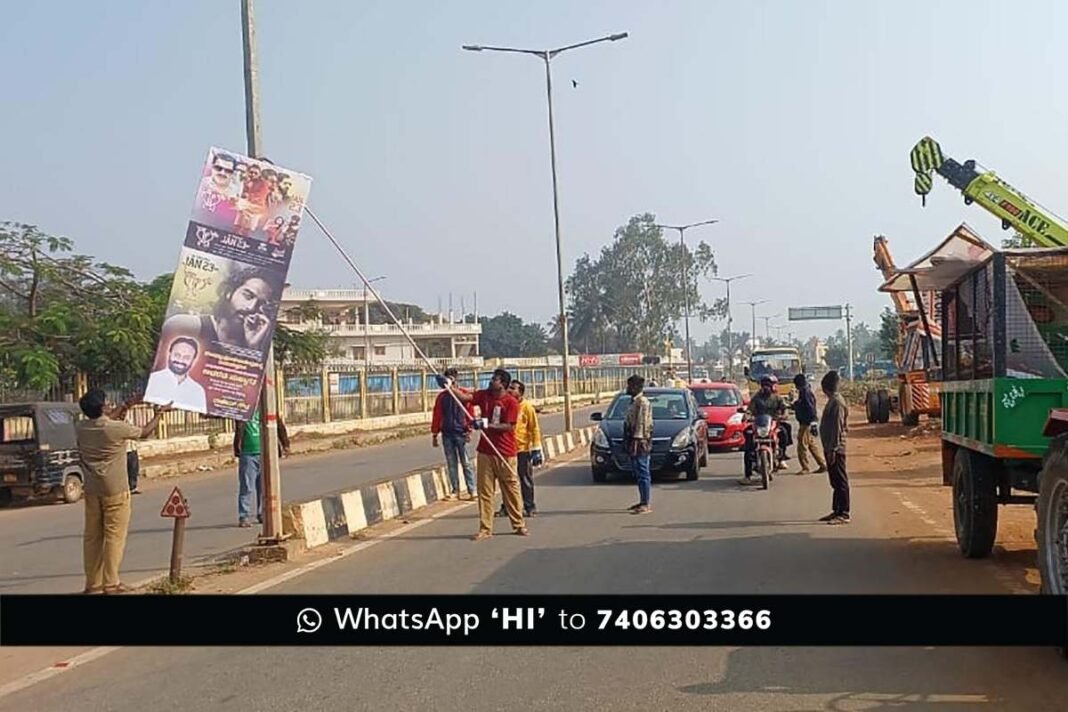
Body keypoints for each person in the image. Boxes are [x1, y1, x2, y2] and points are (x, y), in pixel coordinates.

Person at [75, 390, 170, 594]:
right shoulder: (114, 428)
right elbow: (144, 432)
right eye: (107, 403)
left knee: (92, 537)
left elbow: (105, 420)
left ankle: (93, 584)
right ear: (102, 407)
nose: (110, 405)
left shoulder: (82, 427)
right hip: (115, 488)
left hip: (92, 488)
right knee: (114, 536)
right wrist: (160, 414)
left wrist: (127, 405)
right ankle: (111, 582)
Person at [446, 368, 527, 540]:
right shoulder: (484, 395)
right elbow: (465, 397)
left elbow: (510, 426)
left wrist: (486, 425)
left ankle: (518, 524)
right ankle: (485, 528)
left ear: (503, 384)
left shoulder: (510, 402)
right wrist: (449, 386)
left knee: (511, 489)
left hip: (505, 452)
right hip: (485, 452)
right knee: (485, 491)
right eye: (492, 378)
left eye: (495, 379)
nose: (491, 381)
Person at [160, 266, 279, 352]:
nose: (251, 307)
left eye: (260, 304)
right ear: (229, 293)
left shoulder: (256, 342)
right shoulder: (187, 326)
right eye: (247, 296)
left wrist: (252, 347)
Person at [233, 410, 291, 527]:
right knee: (247, 486)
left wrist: (285, 444)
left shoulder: (268, 407)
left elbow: (279, 426)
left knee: (263, 486)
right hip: (248, 453)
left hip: (266, 452)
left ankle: (261, 513)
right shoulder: (243, 410)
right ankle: (244, 516)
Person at [498, 380, 543, 517]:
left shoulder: (527, 408)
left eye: (513, 388)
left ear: (520, 392)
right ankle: (507, 506)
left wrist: (536, 448)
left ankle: (529, 506)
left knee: (525, 478)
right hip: (507, 449)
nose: (510, 390)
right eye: (509, 388)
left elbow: (534, 428)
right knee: (507, 479)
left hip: (522, 449)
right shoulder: (504, 405)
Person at [431, 367, 476, 500]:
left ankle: (472, 489)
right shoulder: (442, 397)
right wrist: (434, 434)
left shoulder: (463, 394)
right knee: (451, 463)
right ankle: (455, 490)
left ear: (456, 379)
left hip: (461, 433)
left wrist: (469, 430)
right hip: (447, 433)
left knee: (466, 463)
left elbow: (470, 413)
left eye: (452, 378)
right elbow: (437, 416)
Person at [144, 337, 208, 413]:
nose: (180, 360)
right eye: (177, 355)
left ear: (193, 360)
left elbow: (201, 417)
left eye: (186, 358)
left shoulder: (198, 391)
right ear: (169, 354)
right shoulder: (153, 380)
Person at [819, 371, 850, 524]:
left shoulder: (837, 403)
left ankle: (844, 512)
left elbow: (837, 428)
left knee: (840, 480)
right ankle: (836, 509)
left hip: (836, 448)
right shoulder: (833, 400)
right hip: (830, 446)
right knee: (834, 481)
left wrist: (833, 448)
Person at [744, 375, 788, 478]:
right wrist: (747, 415)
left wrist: (784, 415)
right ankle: (748, 474)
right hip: (759, 424)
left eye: (768, 385)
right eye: (764, 385)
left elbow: (784, 408)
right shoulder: (756, 397)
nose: (766, 387)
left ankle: (782, 458)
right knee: (748, 442)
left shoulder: (777, 397)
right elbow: (750, 409)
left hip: (773, 423)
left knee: (784, 433)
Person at [623, 374, 654, 514]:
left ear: (636, 387)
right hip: (633, 439)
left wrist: (637, 440)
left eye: (629, 386)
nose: (627, 388)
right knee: (638, 472)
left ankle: (645, 503)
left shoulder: (642, 402)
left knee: (643, 472)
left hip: (640, 441)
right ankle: (642, 501)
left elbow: (642, 423)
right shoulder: (634, 401)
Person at [792, 373, 826, 474]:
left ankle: (805, 467)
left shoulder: (805, 392)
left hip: (806, 422)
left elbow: (810, 408)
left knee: (801, 445)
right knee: (812, 445)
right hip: (807, 421)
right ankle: (823, 464)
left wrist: (813, 422)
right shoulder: (805, 391)